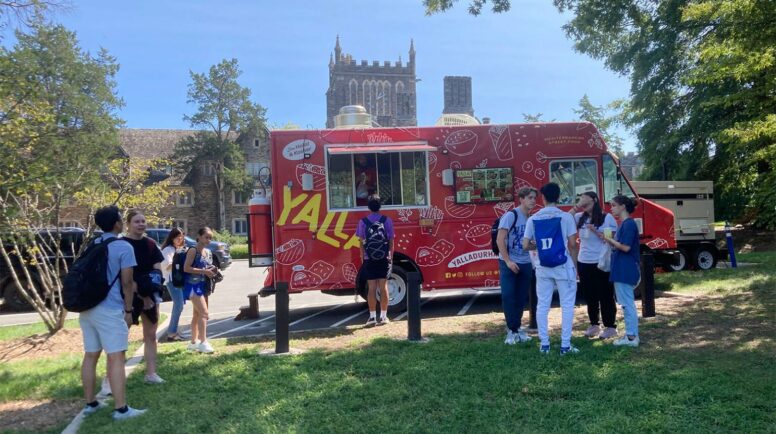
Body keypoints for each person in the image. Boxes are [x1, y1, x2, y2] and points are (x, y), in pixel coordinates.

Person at [79, 205, 146, 420]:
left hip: (87, 307)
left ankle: (90, 403)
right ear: (117, 224)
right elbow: (127, 282)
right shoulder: (123, 246)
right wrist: (128, 309)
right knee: (116, 356)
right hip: (109, 308)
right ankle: (121, 409)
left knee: (90, 355)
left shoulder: (93, 243)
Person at [523, 182, 579, 355]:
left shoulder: (533, 219)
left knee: (542, 305)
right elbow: (572, 244)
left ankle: (544, 344)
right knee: (567, 305)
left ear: (543, 198)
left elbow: (525, 245)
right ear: (559, 197)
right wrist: (575, 266)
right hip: (563, 265)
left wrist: (539, 246)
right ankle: (565, 345)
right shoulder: (566, 217)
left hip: (542, 266)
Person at [123, 210, 165, 384]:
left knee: (151, 335)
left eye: (143, 221)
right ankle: (112, 378)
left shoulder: (150, 244)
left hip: (151, 293)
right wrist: (142, 295)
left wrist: (150, 292)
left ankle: (151, 373)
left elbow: (157, 270)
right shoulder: (123, 245)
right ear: (128, 224)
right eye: (136, 221)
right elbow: (125, 278)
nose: (141, 224)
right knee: (121, 337)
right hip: (129, 296)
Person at [570, 192, 618, 339]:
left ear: (595, 200)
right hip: (584, 261)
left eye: (585, 199)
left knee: (605, 294)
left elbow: (610, 239)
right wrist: (577, 206)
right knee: (589, 295)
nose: (583, 202)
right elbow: (565, 218)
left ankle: (610, 326)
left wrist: (595, 231)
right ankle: (594, 324)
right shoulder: (579, 217)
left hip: (601, 262)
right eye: (581, 199)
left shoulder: (606, 218)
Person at [496, 186, 538, 344]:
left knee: (521, 297)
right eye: (529, 197)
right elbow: (500, 239)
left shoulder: (531, 218)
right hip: (509, 262)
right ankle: (511, 329)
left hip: (526, 262)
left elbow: (529, 244)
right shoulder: (511, 215)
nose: (533, 201)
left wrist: (538, 246)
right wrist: (508, 261)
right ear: (521, 199)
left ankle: (517, 328)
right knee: (508, 296)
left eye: (534, 198)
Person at [603, 195, 641, 347]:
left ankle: (631, 337)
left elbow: (626, 247)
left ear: (623, 206)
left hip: (625, 269)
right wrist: (612, 242)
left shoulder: (628, 224)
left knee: (627, 303)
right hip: (621, 268)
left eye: (613, 205)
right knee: (626, 303)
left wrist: (610, 240)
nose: (611, 208)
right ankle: (631, 334)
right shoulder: (624, 224)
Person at [356, 195, 394, 326]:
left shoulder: (363, 222)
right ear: (380, 206)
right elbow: (391, 240)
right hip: (383, 257)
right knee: (383, 287)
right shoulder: (387, 220)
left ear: (368, 207)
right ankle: (383, 316)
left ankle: (372, 317)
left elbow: (361, 242)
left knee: (371, 287)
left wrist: (362, 257)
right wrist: (390, 256)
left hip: (369, 258)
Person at [183, 227, 217, 353]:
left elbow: (207, 267)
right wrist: (204, 271)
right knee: (204, 313)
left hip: (203, 285)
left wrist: (211, 271)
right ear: (199, 236)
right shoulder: (193, 250)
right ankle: (203, 342)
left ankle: (193, 342)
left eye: (210, 238)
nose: (208, 240)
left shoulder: (207, 251)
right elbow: (186, 268)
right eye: (206, 237)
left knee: (197, 314)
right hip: (193, 286)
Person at [160, 227, 187, 342]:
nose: (180, 239)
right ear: (172, 238)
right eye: (177, 237)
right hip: (172, 280)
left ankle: (173, 331)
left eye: (181, 237)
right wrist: (178, 260)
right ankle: (171, 332)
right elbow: (166, 266)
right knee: (178, 305)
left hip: (178, 280)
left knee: (179, 305)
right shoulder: (168, 250)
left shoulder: (177, 249)